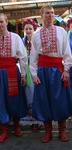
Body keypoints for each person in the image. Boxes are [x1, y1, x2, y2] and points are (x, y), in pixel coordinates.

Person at [30, 5, 72, 143]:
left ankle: (62, 130)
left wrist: (66, 69)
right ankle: (48, 131)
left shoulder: (61, 31)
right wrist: (34, 74)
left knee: (59, 100)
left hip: (58, 71)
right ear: (41, 15)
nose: (50, 15)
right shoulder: (36, 34)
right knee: (45, 101)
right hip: (42, 72)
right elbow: (33, 57)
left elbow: (67, 52)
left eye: (52, 13)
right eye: (47, 13)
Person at [0, 13, 28, 142]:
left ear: (6, 22)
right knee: (0, 100)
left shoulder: (15, 37)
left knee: (14, 98)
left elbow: (22, 57)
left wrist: (23, 74)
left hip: (12, 71)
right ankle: (4, 129)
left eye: (1, 21)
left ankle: (16, 126)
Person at [20, 18, 41, 130]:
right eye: (26, 29)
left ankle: (37, 120)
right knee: (27, 94)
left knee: (36, 94)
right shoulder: (21, 42)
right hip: (25, 71)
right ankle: (30, 119)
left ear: (34, 29)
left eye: (30, 28)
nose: (28, 31)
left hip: (35, 71)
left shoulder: (37, 41)